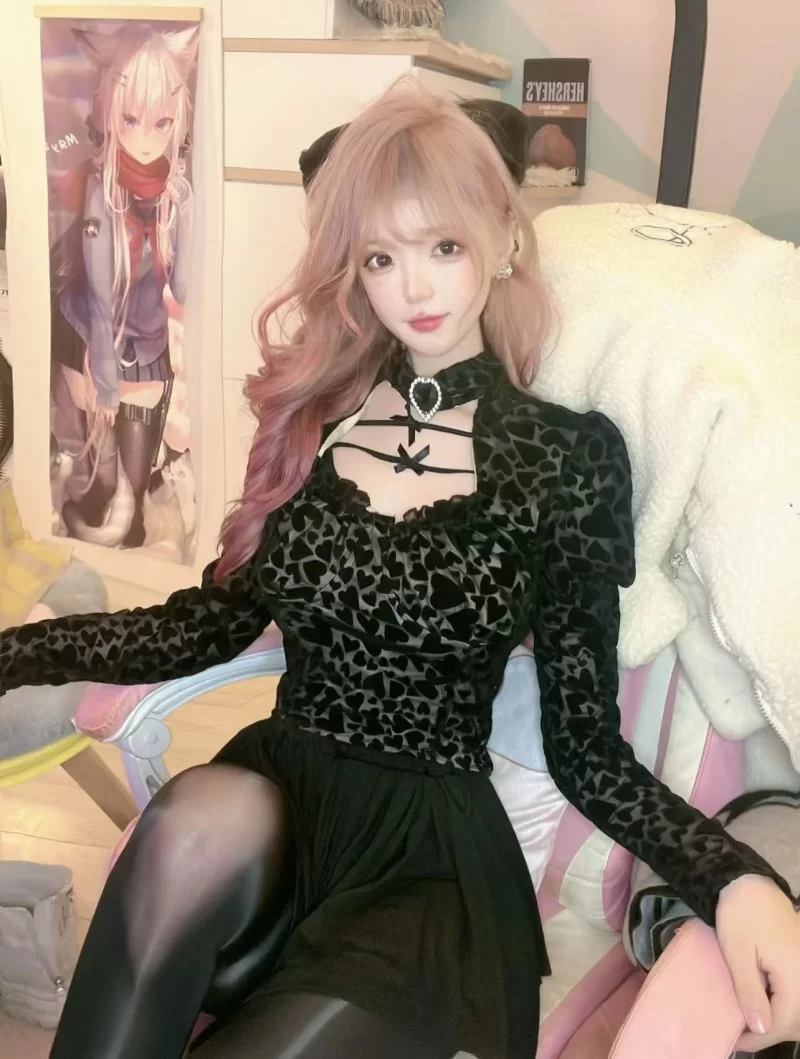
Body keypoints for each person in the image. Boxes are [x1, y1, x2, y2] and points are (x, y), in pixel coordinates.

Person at [1, 80, 798, 1059]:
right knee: (195, 817)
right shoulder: (315, 423)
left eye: (443, 247)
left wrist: (734, 877)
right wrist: (13, 655)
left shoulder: (565, 457)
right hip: (277, 806)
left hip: (426, 861)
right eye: (381, 257)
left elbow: (585, 748)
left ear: (502, 242)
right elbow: (199, 625)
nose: (414, 288)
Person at [48, 24, 197, 548]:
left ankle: (125, 516)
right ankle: (95, 497)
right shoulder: (102, 190)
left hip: (146, 335)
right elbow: (98, 293)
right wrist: (107, 380)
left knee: (132, 493)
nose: (145, 139)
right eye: (130, 118)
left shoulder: (176, 195)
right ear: (111, 110)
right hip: (93, 330)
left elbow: (184, 288)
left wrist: (186, 212)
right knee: (105, 470)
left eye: (161, 122)